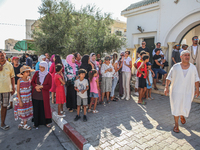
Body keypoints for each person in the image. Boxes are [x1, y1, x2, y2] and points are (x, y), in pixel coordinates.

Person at [164, 50, 199, 133]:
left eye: (188, 55)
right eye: (185, 55)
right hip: (176, 91)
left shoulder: (193, 67)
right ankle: (176, 124)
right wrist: (166, 87)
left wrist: (197, 89)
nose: (187, 57)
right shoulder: (175, 66)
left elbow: (196, 79)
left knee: (185, 105)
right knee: (176, 106)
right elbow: (169, 77)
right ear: (181, 57)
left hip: (188, 91)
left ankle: (182, 115)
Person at [31, 61, 52, 129]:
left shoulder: (49, 75)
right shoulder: (37, 73)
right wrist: (36, 87)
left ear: (45, 67)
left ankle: (46, 122)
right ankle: (36, 122)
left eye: (42, 67)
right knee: (36, 108)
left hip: (44, 95)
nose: (40, 69)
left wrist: (42, 87)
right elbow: (32, 82)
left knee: (44, 108)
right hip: (35, 94)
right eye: (40, 67)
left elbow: (49, 86)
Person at [14, 66, 34, 130]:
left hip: (28, 98)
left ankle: (24, 122)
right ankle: (24, 124)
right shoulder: (19, 80)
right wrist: (20, 101)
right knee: (22, 110)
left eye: (28, 72)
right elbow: (18, 91)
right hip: (22, 99)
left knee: (26, 110)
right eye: (26, 72)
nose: (28, 73)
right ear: (22, 73)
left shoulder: (29, 79)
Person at [0, 51, 15, 130]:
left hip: (6, 89)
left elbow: (12, 77)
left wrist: (13, 87)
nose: (1, 57)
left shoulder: (9, 65)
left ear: (4, 55)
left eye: (2, 55)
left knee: (4, 106)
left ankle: (2, 123)